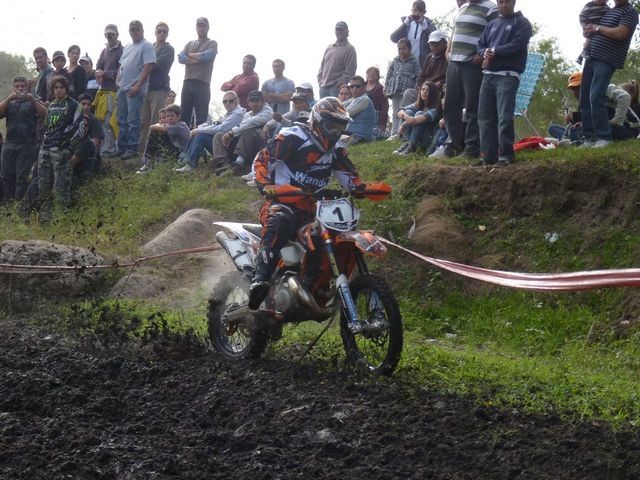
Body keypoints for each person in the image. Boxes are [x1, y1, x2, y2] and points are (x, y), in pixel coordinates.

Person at [248, 97, 365, 310]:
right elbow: (262, 159)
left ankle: (314, 286)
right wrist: (265, 185)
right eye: (330, 126)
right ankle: (260, 279)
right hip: (282, 201)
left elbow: (350, 179)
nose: (335, 132)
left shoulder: (337, 149)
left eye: (339, 127)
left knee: (334, 232)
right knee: (280, 220)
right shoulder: (293, 136)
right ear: (317, 121)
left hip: (315, 209)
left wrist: (362, 188)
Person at [477, 0, 532, 167]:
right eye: (500, 2)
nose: (504, 5)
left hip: (507, 75)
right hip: (488, 75)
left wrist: (496, 51)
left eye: (507, 1)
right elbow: (480, 45)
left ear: (513, 2)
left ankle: (506, 155)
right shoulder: (492, 24)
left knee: (504, 117)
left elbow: (518, 44)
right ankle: (488, 157)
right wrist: (485, 52)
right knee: (485, 118)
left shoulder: (522, 22)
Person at [443, 0, 499, 159]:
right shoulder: (463, 7)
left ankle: (472, 147)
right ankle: (454, 144)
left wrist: (482, 56)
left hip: (472, 65)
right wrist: (448, 51)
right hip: (454, 63)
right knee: (450, 106)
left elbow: (496, 35)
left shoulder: (491, 8)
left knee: (473, 107)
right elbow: (454, 31)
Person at [580, 0, 638, 148]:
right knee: (584, 98)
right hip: (591, 56)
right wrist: (588, 33)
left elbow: (621, 33)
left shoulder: (630, 12)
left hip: (606, 58)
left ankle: (604, 137)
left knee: (596, 96)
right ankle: (589, 138)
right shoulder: (609, 10)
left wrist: (597, 28)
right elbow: (592, 28)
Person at [37, 76, 87, 220]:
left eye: (62, 87)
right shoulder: (51, 106)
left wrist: (69, 149)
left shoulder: (74, 105)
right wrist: (43, 146)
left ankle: (61, 219)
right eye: (56, 88)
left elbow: (81, 129)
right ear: (52, 90)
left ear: (66, 89)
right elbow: (46, 127)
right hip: (46, 150)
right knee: (44, 186)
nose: (59, 90)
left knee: (61, 187)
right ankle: (45, 219)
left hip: (62, 151)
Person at [0, 76, 46, 202]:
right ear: (13, 88)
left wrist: (33, 100)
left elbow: (45, 114)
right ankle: (8, 203)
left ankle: (19, 204)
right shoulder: (9, 103)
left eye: (22, 86)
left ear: (27, 87)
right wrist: (9, 98)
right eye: (17, 86)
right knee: (6, 175)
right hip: (9, 143)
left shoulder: (33, 101)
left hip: (27, 144)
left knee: (21, 177)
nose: (20, 89)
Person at [115, 20, 156, 159]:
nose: (135, 31)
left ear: (142, 31)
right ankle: (121, 147)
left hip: (135, 88)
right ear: (129, 31)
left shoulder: (147, 45)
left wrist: (138, 85)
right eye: (132, 29)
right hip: (122, 88)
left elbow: (148, 66)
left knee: (133, 120)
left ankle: (132, 148)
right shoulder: (127, 46)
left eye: (137, 29)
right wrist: (117, 80)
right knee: (121, 119)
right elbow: (122, 64)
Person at [174, 91, 244, 173]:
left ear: (236, 101)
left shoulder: (237, 114)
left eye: (230, 101)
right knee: (197, 134)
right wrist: (200, 128)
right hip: (223, 144)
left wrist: (198, 130)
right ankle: (183, 161)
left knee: (200, 136)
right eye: (225, 101)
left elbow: (220, 129)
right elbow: (215, 124)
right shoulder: (229, 114)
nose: (227, 104)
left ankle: (190, 165)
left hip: (231, 148)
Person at [212, 90, 272, 173]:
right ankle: (223, 164)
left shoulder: (268, 112)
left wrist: (231, 133)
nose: (254, 103)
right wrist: (230, 136)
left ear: (263, 102)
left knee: (248, 131)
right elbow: (241, 128)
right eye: (252, 101)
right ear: (248, 103)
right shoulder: (247, 115)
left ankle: (239, 164)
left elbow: (250, 123)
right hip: (244, 145)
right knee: (219, 135)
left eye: (257, 101)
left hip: (260, 148)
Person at [138, 22, 175, 155]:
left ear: (167, 34)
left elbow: (155, 64)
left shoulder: (168, 49)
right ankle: (142, 151)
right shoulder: (150, 47)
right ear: (155, 32)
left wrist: (145, 64)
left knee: (157, 121)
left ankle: (153, 152)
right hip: (146, 88)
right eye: (159, 31)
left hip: (159, 89)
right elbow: (141, 63)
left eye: (165, 31)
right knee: (143, 122)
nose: (162, 33)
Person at [178, 17, 218, 126]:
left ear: (208, 27)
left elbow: (207, 57)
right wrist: (198, 59)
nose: (201, 28)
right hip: (187, 82)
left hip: (202, 83)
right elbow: (181, 58)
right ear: (196, 27)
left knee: (201, 119)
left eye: (203, 25)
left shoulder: (212, 43)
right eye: (199, 25)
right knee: (184, 118)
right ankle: (185, 137)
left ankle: (199, 137)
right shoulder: (190, 43)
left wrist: (189, 55)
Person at [95, 24, 123, 157]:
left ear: (117, 34)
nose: (109, 36)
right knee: (102, 120)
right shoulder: (104, 51)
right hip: (103, 91)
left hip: (114, 91)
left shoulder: (122, 50)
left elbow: (120, 71)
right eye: (107, 34)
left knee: (110, 121)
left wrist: (104, 74)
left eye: (112, 33)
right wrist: (98, 73)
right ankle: (106, 147)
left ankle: (110, 148)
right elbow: (98, 66)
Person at [384, 38, 421, 137]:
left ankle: (401, 133)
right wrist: (386, 88)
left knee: (403, 112)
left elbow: (419, 76)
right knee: (395, 112)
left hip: (406, 91)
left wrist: (415, 88)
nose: (401, 51)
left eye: (404, 48)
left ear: (409, 49)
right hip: (395, 89)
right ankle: (394, 133)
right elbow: (389, 74)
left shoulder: (414, 62)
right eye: (399, 49)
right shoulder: (395, 61)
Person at [136, 103, 189, 173]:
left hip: (181, 155)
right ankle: (150, 162)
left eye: (172, 116)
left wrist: (157, 126)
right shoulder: (177, 124)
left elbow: (153, 127)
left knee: (155, 132)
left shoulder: (179, 127)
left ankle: (149, 162)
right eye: (167, 116)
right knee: (158, 136)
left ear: (178, 116)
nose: (169, 118)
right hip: (177, 151)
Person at [402, 29, 449, 106]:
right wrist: (423, 87)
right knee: (408, 93)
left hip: (439, 91)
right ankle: (409, 113)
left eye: (436, 44)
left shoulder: (448, 56)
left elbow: (451, 77)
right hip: (425, 89)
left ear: (444, 43)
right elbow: (420, 77)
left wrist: (439, 84)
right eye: (431, 44)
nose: (434, 46)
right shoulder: (429, 57)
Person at [393, 81, 440, 155]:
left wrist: (404, 123)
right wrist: (405, 116)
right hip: (416, 137)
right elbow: (399, 111)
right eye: (423, 89)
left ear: (433, 93)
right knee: (408, 112)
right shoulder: (417, 105)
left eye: (427, 90)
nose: (424, 92)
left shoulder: (435, 109)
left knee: (419, 113)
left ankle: (412, 147)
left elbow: (421, 118)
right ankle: (407, 143)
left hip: (427, 140)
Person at [390, 0, 437, 68]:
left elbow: (436, 42)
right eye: (415, 10)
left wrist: (426, 28)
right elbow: (393, 38)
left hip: (423, 66)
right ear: (411, 10)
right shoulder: (407, 24)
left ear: (424, 12)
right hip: (406, 65)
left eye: (420, 11)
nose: (417, 13)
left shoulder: (429, 24)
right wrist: (404, 24)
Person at [317, 21, 357, 98]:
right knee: (323, 106)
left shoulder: (350, 49)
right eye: (337, 29)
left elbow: (350, 71)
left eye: (342, 29)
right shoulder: (329, 47)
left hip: (336, 89)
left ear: (347, 32)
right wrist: (320, 81)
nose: (339, 32)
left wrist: (339, 85)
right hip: (323, 87)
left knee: (335, 106)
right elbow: (322, 67)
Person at [71, 93, 104, 183]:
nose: (86, 107)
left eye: (89, 105)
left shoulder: (94, 121)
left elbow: (95, 145)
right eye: (83, 104)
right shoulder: (73, 119)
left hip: (89, 156)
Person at [343, 76, 376, 142]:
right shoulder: (354, 99)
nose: (354, 89)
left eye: (357, 86)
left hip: (360, 137)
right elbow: (339, 104)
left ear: (363, 87)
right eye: (352, 86)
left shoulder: (364, 99)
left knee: (330, 139)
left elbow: (346, 114)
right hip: (353, 136)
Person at [577, 0, 611, 65]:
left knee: (590, 40)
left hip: (599, 26)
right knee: (589, 39)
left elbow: (608, 17)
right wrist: (584, 26)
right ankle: (583, 54)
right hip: (589, 25)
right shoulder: (589, 5)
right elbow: (582, 15)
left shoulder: (607, 8)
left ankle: (582, 55)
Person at [365, 66, 389, 137]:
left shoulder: (381, 89)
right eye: (369, 73)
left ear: (377, 76)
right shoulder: (361, 86)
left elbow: (385, 107)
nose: (371, 75)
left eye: (373, 74)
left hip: (375, 116)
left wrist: (382, 124)